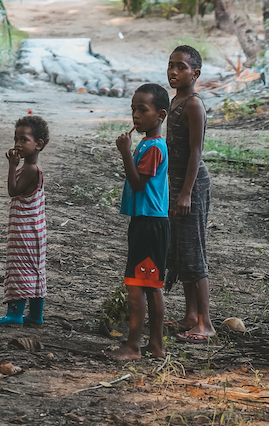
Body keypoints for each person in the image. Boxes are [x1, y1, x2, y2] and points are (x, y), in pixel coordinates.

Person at [106, 82, 170, 362]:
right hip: (148, 222)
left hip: (149, 224)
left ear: (161, 115)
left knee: (137, 285)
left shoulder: (154, 147)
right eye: (133, 109)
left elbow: (137, 183)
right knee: (151, 285)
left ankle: (133, 346)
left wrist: (124, 153)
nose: (135, 116)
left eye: (142, 110)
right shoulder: (148, 143)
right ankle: (155, 345)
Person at [166, 45, 215, 341]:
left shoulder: (194, 105)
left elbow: (196, 152)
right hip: (176, 184)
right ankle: (190, 315)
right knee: (181, 250)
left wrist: (185, 193)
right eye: (171, 65)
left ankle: (205, 323)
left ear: (195, 74)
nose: (173, 71)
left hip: (192, 185)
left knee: (194, 251)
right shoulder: (175, 101)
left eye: (181, 67)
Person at [0, 114, 49, 327]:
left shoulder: (30, 169)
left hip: (25, 232)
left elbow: (12, 191)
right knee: (34, 270)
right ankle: (35, 315)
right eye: (16, 139)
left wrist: (11, 166)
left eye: (24, 140)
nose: (18, 144)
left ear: (39, 144)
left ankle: (15, 314)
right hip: (32, 231)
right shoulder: (29, 168)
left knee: (19, 270)